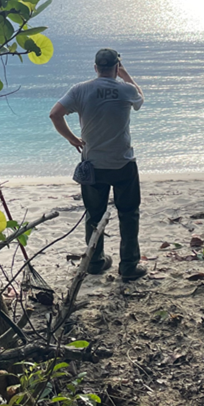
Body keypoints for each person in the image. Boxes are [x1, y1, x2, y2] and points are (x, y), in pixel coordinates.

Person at [49, 48, 147, 280]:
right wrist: (126, 75)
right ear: (116, 67)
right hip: (123, 163)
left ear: (95, 68)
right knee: (129, 214)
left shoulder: (80, 90)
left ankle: (95, 261)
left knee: (94, 215)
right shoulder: (126, 89)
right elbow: (140, 98)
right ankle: (129, 266)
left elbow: (55, 114)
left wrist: (72, 139)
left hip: (93, 164)